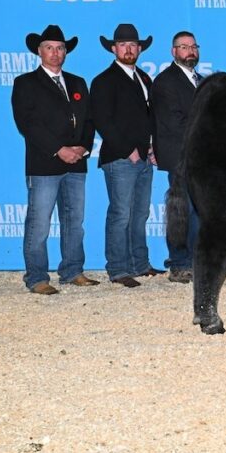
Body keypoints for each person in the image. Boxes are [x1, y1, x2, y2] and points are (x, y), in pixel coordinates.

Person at [11, 25, 99, 295]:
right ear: (39, 51)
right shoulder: (25, 83)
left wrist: (83, 147)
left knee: (75, 221)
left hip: (77, 163)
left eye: (60, 48)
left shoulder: (77, 82)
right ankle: (37, 277)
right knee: (39, 223)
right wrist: (60, 149)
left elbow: (89, 119)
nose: (55, 53)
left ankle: (72, 270)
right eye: (49, 48)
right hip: (44, 164)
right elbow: (27, 124)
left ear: (66, 52)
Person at [90, 23, 163, 288]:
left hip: (144, 156)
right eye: (123, 45)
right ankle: (118, 269)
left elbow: (149, 117)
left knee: (140, 213)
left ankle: (140, 264)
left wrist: (153, 146)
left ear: (140, 48)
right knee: (121, 213)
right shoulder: (103, 80)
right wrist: (128, 150)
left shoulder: (144, 78)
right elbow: (102, 120)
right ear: (113, 48)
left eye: (133, 45)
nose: (129, 49)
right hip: (120, 158)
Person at [151, 31, 203, 284]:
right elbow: (174, 122)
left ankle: (195, 261)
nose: (190, 51)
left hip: (200, 158)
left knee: (198, 211)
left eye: (193, 46)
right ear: (174, 52)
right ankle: (179, 263)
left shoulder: (201, 81)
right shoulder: (165, 82)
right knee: (183, 210)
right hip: (180, 157)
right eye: (184, 47)